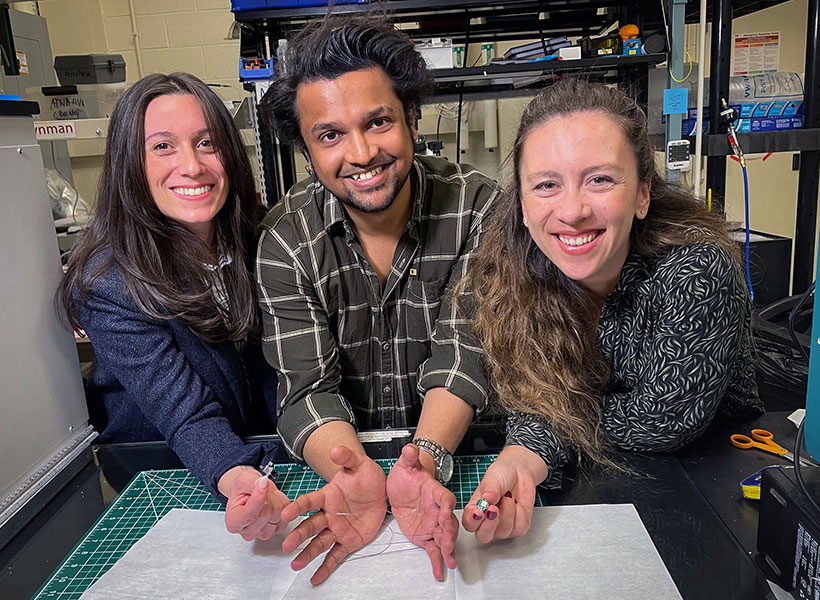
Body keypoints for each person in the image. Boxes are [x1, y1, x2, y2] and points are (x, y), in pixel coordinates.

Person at [458, 78, 764, 543]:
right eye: (546, 185)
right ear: (521, 205)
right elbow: (538, 390)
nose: (573, 210)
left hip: (716, 479)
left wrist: (540, 433)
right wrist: (522, 456)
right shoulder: (523, 275)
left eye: (599, 179)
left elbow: (663, 421)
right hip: (605, 470)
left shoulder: (695, 270)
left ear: (643, 194)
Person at [257, 15, 500, 584]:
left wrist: (428, 460)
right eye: (330, 135)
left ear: (411, 119)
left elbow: (464, 353)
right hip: (353, 460)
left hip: (461, 449)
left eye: (378, 122)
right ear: (308, 151)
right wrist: (349, 469)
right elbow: (304, 390)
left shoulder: (480, 210)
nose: (361, 153)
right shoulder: (286, 239)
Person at [58, 72, 288, 542]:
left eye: (207, 144)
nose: (193, 166)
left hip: (255, 448)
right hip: (163, 467)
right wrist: (234, 475)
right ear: (131, 165)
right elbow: (185, 413)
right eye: (163, 146)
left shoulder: (259, 242)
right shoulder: (110, 282)